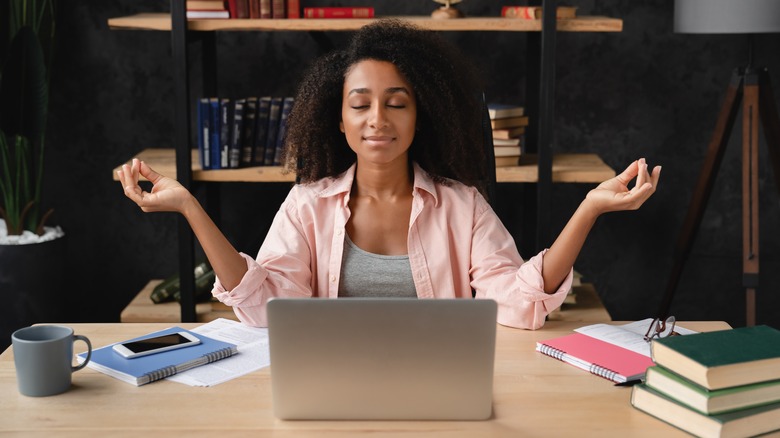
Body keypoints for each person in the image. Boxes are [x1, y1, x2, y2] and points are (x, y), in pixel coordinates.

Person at [117, 19, 660, 330]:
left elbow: (520, 306)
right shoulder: (307, 204)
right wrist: (189, 206)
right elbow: (264, 310)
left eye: (396, 103)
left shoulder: (462, 205)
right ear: (340, 119)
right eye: (361, 105)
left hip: (441, 386)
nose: (378, 119)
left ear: (421, 115)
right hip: (332, 385)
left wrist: (588, 209)